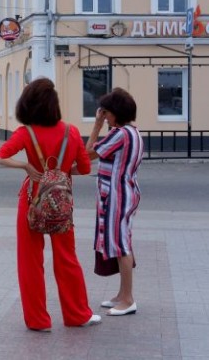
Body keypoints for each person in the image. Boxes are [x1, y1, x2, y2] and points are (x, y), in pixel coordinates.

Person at [0, 77, 100, 331]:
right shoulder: (71, 132)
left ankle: (38, 320)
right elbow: (84, 168)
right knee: (67, 258)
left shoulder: (26, 133)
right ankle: (77, 315)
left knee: (30, 261)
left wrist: (26, 166)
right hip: (61, 204)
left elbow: (1, 157)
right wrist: (62, 170)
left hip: (32, 200)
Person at [86, 88, 143, 316]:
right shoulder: (134, 132)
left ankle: (128, 299)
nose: (104, 116)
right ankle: (122, 294)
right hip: (126, 193)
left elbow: (87, 154)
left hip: (117, 196)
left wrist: (96, 127)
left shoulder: (119, 134)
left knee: (121, 246)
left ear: (115, 112)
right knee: (122, 242)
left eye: (106, 112)